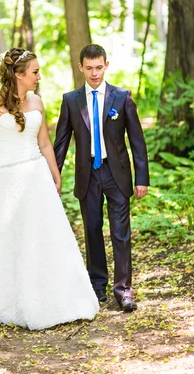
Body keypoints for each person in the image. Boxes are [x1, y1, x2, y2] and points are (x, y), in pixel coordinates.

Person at [0, 48, 99, 330]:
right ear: (18, 74)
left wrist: (55, 173)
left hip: (36, 178)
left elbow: (46, 144)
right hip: (2, 181)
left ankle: (45, 299)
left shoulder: (37, 101)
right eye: (35, 72)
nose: (39, 76)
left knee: (40, 239)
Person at [54, 44, 149, 312]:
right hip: (88, 175)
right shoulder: (71, 101)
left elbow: (137, 141)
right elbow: (61, 143)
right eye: (89, 68)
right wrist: (52, 177)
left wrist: (141, 177)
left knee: (121, 233)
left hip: (116, 173)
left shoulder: (122, 97)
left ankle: (124, 290)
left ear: (106, 65)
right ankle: (97, 286)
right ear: (80, 67)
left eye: (99, 67)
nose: (94, 73)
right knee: (92, 230)